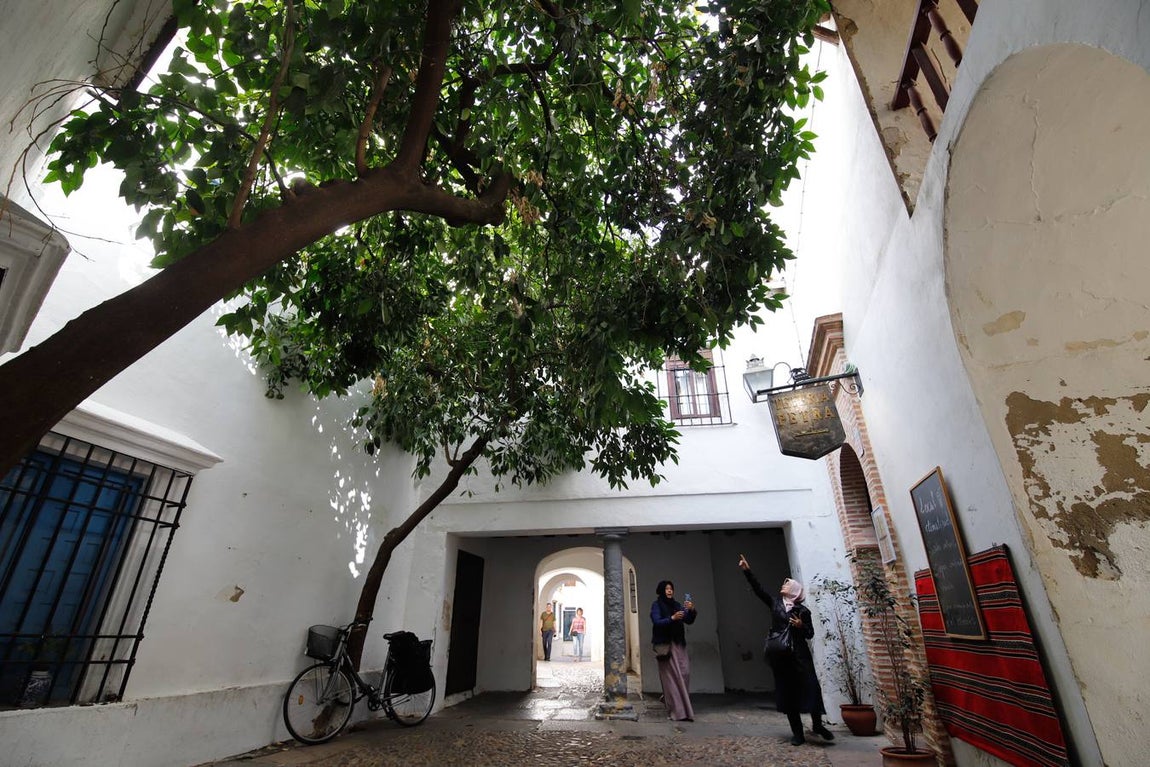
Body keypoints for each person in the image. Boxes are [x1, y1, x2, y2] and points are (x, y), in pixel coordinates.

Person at [738, 554, 834, 746]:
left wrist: (800, 626)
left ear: (795, 591)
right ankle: (797, 733)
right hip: (782, 657)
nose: (784, 585)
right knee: (788, 695)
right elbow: (759, 591)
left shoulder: (803, 611)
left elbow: (810, 634)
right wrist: (747, 571)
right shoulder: (776, 604)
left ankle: (817, 724)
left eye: (787, 584)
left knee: (812, 689)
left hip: (800, 656)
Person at [650, 580, 696, 721]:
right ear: (661, 590)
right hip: (666, 646)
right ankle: (678, 712)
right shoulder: (656, 605)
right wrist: (672, 618)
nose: (669, 591)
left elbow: (688, 620)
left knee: (684, 674)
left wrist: (691, 609)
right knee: (670, 679)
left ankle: (683, 708)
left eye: (671, 589)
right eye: (667, 589)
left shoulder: (676, 605)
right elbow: (656, 621)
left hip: (679, 644)